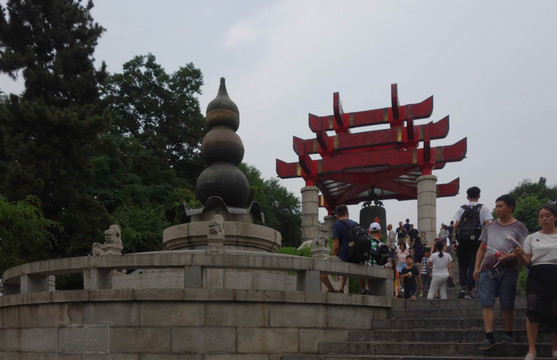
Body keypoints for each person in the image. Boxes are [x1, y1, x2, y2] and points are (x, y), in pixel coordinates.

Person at [473, 194, 529, 350]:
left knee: (507, 304)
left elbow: (524, 250)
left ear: (510, 208)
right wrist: (477, 267)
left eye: (500, 206)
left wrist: (509, 256)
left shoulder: (519, 227)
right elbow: (482, 247)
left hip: (509, 269)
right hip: (488, 269)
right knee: (486, 302)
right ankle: (489, 336)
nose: (497, 209)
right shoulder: (490, 226)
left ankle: (509, 334)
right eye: (496, 206)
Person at [514, 204, 557, 360]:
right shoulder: (531, 238)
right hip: (537, 275)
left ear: (555, 217)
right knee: (532, 309)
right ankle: (531, 349)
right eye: (541, 216)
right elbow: (527, 261)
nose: (544, 219)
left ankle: (555, 347)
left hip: (555, 273)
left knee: (554, 310)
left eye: (547, 215)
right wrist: (519, 255)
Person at [452, 186, 493, 299]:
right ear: (479, 196)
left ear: (467, 196)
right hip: (477, 241)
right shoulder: (483, 208)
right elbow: (487, 224)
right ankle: (469, 289)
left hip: (462, 241)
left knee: (462, 265)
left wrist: (453, 241)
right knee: (473, 264)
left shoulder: (462, 208)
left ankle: (463, 287)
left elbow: (456, 225)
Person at [320, 204, 353, 293]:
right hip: (355, 258)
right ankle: (341, 288)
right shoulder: (355, 224)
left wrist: (335, 257)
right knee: (343, 258)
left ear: (337, 216)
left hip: (344, 258)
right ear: (348, 213)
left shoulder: (338, 225)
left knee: (319, 266)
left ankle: (331, 289)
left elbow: (335, 247)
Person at [359, 222, 383, 294]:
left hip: (371, 269)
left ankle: (364, 289)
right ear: (380, 231)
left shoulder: (368, 242)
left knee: (361, 268)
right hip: (381, 269)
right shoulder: (383, 244)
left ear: (369, 231)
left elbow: (365, 257)